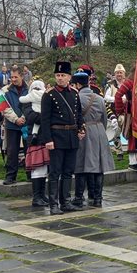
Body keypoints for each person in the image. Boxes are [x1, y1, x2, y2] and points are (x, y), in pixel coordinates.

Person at [41, 61, 85, 215]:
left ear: (69, 77)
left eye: (63, 75)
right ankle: (54, 204)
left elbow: (78, 114)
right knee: (55, 172)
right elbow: (45, 120)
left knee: (68, 171)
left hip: (71, 136)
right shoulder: (49, 95)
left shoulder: (74, 93)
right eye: (58, 75)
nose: (60, 78)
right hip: (56, 137)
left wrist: (81, 128)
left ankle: (65, 201)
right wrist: (48, 140)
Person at [72, 71, 115, 208]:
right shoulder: (99, 98)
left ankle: (79, 197)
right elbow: (104, 119)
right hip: (99, 131)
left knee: (81, 165)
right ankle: (98, 198)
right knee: (99, 166)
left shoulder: (76, 97)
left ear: (77, 84)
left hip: (83, 131)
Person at [20, 80, 49, 207]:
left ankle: (42, 195)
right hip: (35, 139)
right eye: (35, 87)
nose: (37, 90)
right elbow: (32, 118)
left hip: (45, 137)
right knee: (37, 168)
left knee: (44, 168)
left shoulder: (45, 102)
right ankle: (36, 197)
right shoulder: (27, 104)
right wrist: (46, 117)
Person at [2, 68, 28, 185]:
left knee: (29, 150)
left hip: (26, 125)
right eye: (11, 77)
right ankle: (10, 176)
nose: (13, 79)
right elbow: (4, 108)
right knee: (12, 152)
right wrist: (16, 119)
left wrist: (23, 117)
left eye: (15, 77)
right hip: (12, 125)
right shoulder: (5, 90)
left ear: (22, 76)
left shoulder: (29, 89)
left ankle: (30, 174)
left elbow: (32, 104)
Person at [105, 64, 126, 159]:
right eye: (117, 73)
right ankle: (119, 152)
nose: (119, 74)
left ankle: (133, 148)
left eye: (120, 73)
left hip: (127, 111)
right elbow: (106, 98)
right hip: (115, 111)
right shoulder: (110, 85)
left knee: (129, 131)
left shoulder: (128, 84)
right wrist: (118, 99)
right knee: (116, 132)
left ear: (124, 74)